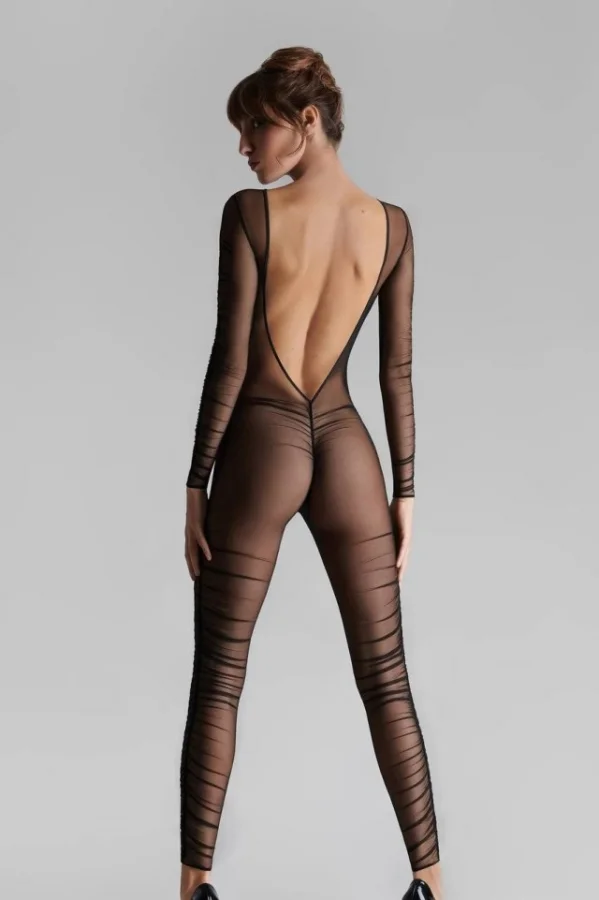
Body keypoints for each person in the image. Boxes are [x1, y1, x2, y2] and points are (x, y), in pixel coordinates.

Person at [179, 46, 444, 900]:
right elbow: (395, 373)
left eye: (255, 127)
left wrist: (195, 481)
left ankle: (192, 887)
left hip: (263, 442)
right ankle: (433, 884)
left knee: (220, 677)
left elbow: (230, 362)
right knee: (387, 677)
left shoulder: (251, 216)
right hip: (348, 450)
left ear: (306, 122)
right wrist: (406, 491)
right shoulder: (391, 226)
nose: (243, 147)